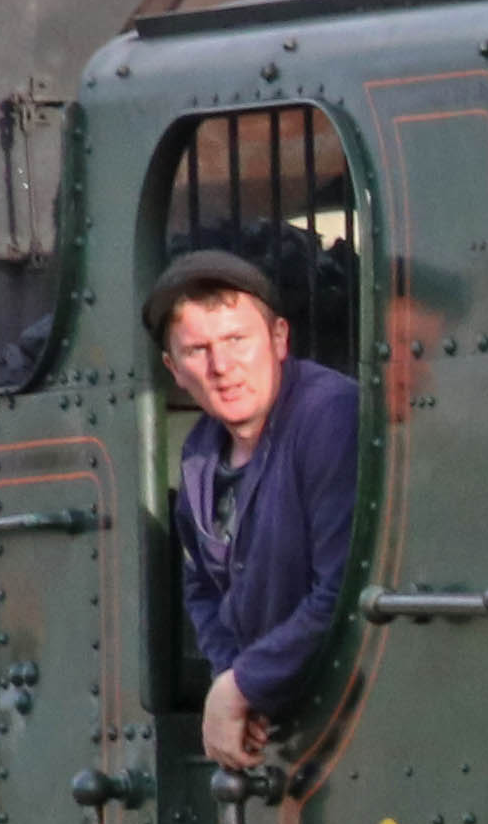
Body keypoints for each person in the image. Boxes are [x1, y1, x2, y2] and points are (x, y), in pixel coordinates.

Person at [155, 250, 366, 771]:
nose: (221, 367)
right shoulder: (200, 453)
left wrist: (243, 684)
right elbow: (202, 588)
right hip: (277, 723)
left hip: (349, 717)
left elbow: (344, 589)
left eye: (236, 340)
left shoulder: (330, 417)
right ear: (173, 369)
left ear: (278, 338)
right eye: (197, 350)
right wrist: (234, 678)